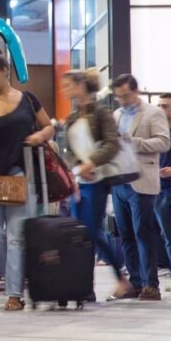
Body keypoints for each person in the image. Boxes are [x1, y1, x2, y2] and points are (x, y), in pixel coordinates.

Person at [0, 48, 54, 311]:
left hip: (21, 176)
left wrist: (40, 136)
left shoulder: (28, 100)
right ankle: (16, 277)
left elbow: (49, 126)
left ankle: (14, 295)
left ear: (6, 72)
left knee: (17, 237)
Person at [60, 69, 132, 301]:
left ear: (82, 85)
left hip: (98, 180)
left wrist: (91, 163)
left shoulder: (102, 114)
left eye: (69, 85)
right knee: (81, 234)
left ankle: (119, 279)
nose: (65, 90)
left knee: (92, 231)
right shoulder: (71, 118)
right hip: (78, 181)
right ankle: (86, 287)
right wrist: (75, 173)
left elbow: (113, 144)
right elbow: (69, 152)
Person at [108, 74, 170, 301]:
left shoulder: (153, 113)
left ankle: (150, 285)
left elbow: (164, 142)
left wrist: (135, 143)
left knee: (143, 233)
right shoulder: (116, 115)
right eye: (119, 97)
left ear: (135, 92)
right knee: (125, 235)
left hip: (142, 181)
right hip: (119, 181)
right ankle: (134, 283)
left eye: (126, 95)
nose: (122, 100)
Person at [155, 94, 171, 293]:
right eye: (159, 105)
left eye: (165, 106)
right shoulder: (155, 133)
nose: (161, 109)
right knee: (168, 236)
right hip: (159, 189)